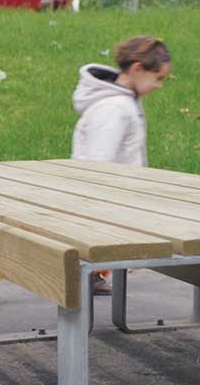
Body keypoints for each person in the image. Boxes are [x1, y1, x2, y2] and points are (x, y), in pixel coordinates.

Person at [71, 35, 172, 294]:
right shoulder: (114, 108)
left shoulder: (124, 101)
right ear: (137, 69)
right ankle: (86, 274)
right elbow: (97, 162)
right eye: (157, 78)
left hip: (117, 195)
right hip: (104, 197)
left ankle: (93, 275)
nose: (159, 85)